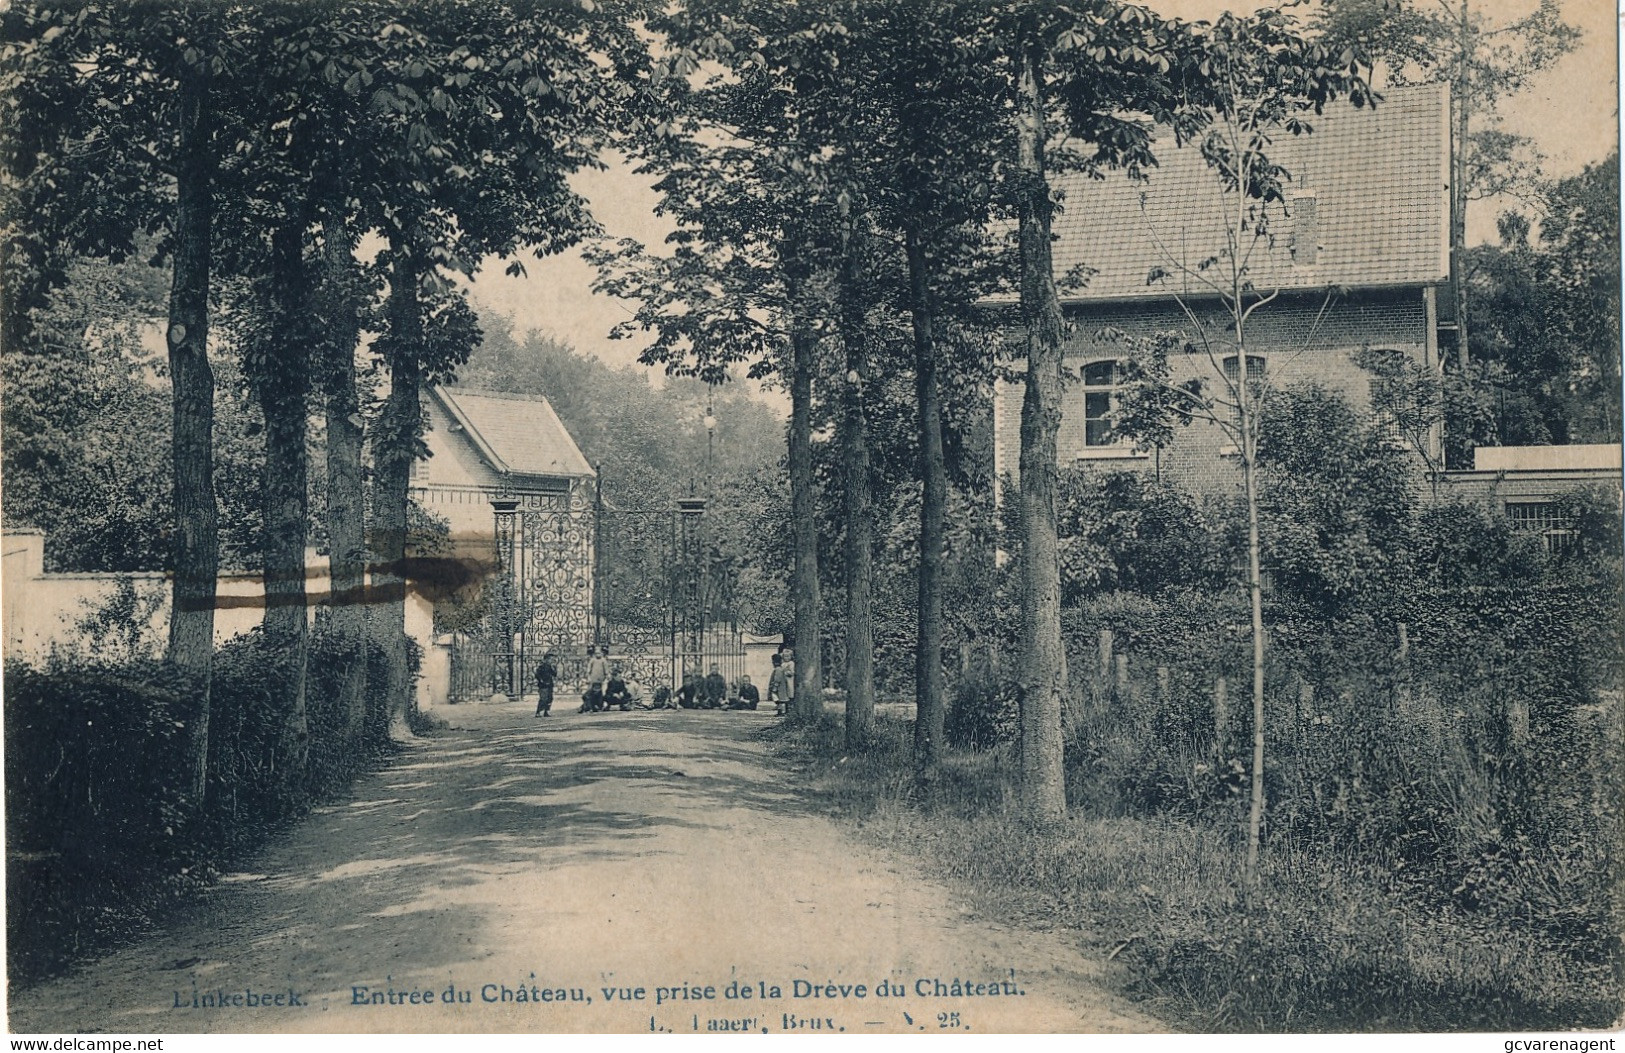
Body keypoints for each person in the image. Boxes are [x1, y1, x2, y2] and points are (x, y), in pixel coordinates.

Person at [534, 651, 557, 717]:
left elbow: (555, 674)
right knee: (543, 698)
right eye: (550, 659)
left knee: (550, 698)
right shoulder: (541, 667)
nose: (551, 661)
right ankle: (538, 712)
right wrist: (541, 680)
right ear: (545, 659)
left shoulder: (551, 667)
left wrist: (553, 668)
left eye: (552, 660)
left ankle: (546, 711)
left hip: (550, 684)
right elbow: (537, 675)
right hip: (543, 685)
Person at [767, 652, 790, 717]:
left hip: (780, 688)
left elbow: (777, 679)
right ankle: (781, 711)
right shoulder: (779, 669)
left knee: (780, 699)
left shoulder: (778, 669)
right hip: (780, 687)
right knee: (780, 699)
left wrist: (775, 687)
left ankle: (782, 712)